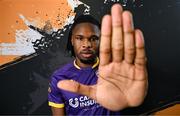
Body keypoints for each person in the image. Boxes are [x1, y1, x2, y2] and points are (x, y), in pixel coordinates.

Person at [48, 4, 148, 115]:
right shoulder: (59, 77)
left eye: (93, 38)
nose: (86, 44)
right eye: (80, 38)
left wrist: (130, 97)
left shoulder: (115, 69)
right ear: (72, 40)